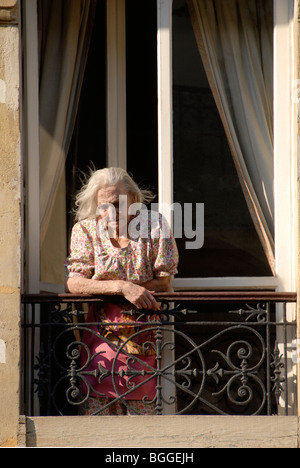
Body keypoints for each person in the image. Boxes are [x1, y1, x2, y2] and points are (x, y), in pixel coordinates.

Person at [64, 167, 179, 415]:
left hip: (144, 335)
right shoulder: (84, 230)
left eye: (118, 204)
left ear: (134, 200)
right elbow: (74, 283)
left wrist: (134, 290)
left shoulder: (156, 225)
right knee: (99, 413)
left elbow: (164, 282)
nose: (111, 213)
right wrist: (121, 287)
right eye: (103, 206)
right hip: (101, 336)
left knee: (142, 417)